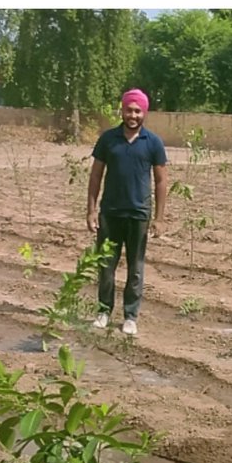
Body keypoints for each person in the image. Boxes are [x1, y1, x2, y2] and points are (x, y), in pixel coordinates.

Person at [86, 88, 168, 337]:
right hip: (110, 214)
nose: (132, 115)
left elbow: (161, 181)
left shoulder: (152, 142)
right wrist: (91, 210)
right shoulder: (108, 139)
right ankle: (103, 311)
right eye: (128, 110)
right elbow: (96, 175)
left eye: (137, 110)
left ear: (144, 113)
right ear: (121, 110)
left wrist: (160, 218)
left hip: (139, 214)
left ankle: (130, 316)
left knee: (135, 267)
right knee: (106, 266)